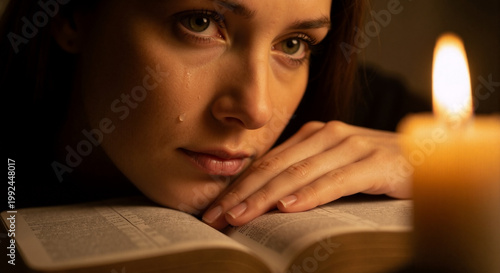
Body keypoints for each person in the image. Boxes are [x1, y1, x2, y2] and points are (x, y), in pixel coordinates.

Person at [2, 0, 415, 230]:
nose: (257, 109)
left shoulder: (357, 113)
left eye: (293, 44)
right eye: (200, 23)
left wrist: (449, 163)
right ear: (71, 17)